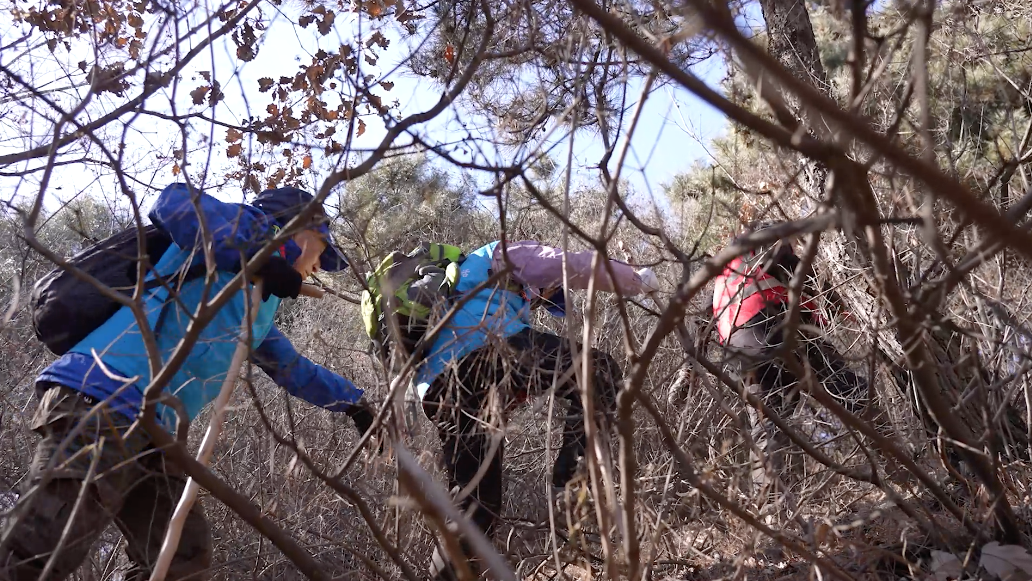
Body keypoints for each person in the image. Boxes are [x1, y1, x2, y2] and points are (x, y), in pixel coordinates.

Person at [0, 184, 376, 581]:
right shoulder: (240, 227)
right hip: (103, 394)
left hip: (154, 431)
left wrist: (354, 403)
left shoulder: (258, 306)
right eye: (322, 251)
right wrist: (260, 255)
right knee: (45, 543)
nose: (319, 267)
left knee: (180, 559)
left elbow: (293, 369)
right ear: (300, 230)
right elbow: (174, 202)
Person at [416, 239, 659, 581]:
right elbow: (573, 265)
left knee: (475, 506)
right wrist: (635, 280)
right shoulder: (502, 254)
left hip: (439, 389)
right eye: (549, 292)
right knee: (599, 370)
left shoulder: (465, 288)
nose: (545, 297)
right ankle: (570, 481)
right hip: (486, 347)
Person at [712, 221, 868, 499]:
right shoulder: (763, 239)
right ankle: (898, 460)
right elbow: (794, 271)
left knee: (768, 425)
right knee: (846, 387)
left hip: (738, 351)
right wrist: (840, 303)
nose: (793, 246)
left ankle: (772, 508)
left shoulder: (728, 267)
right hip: (771, 327)